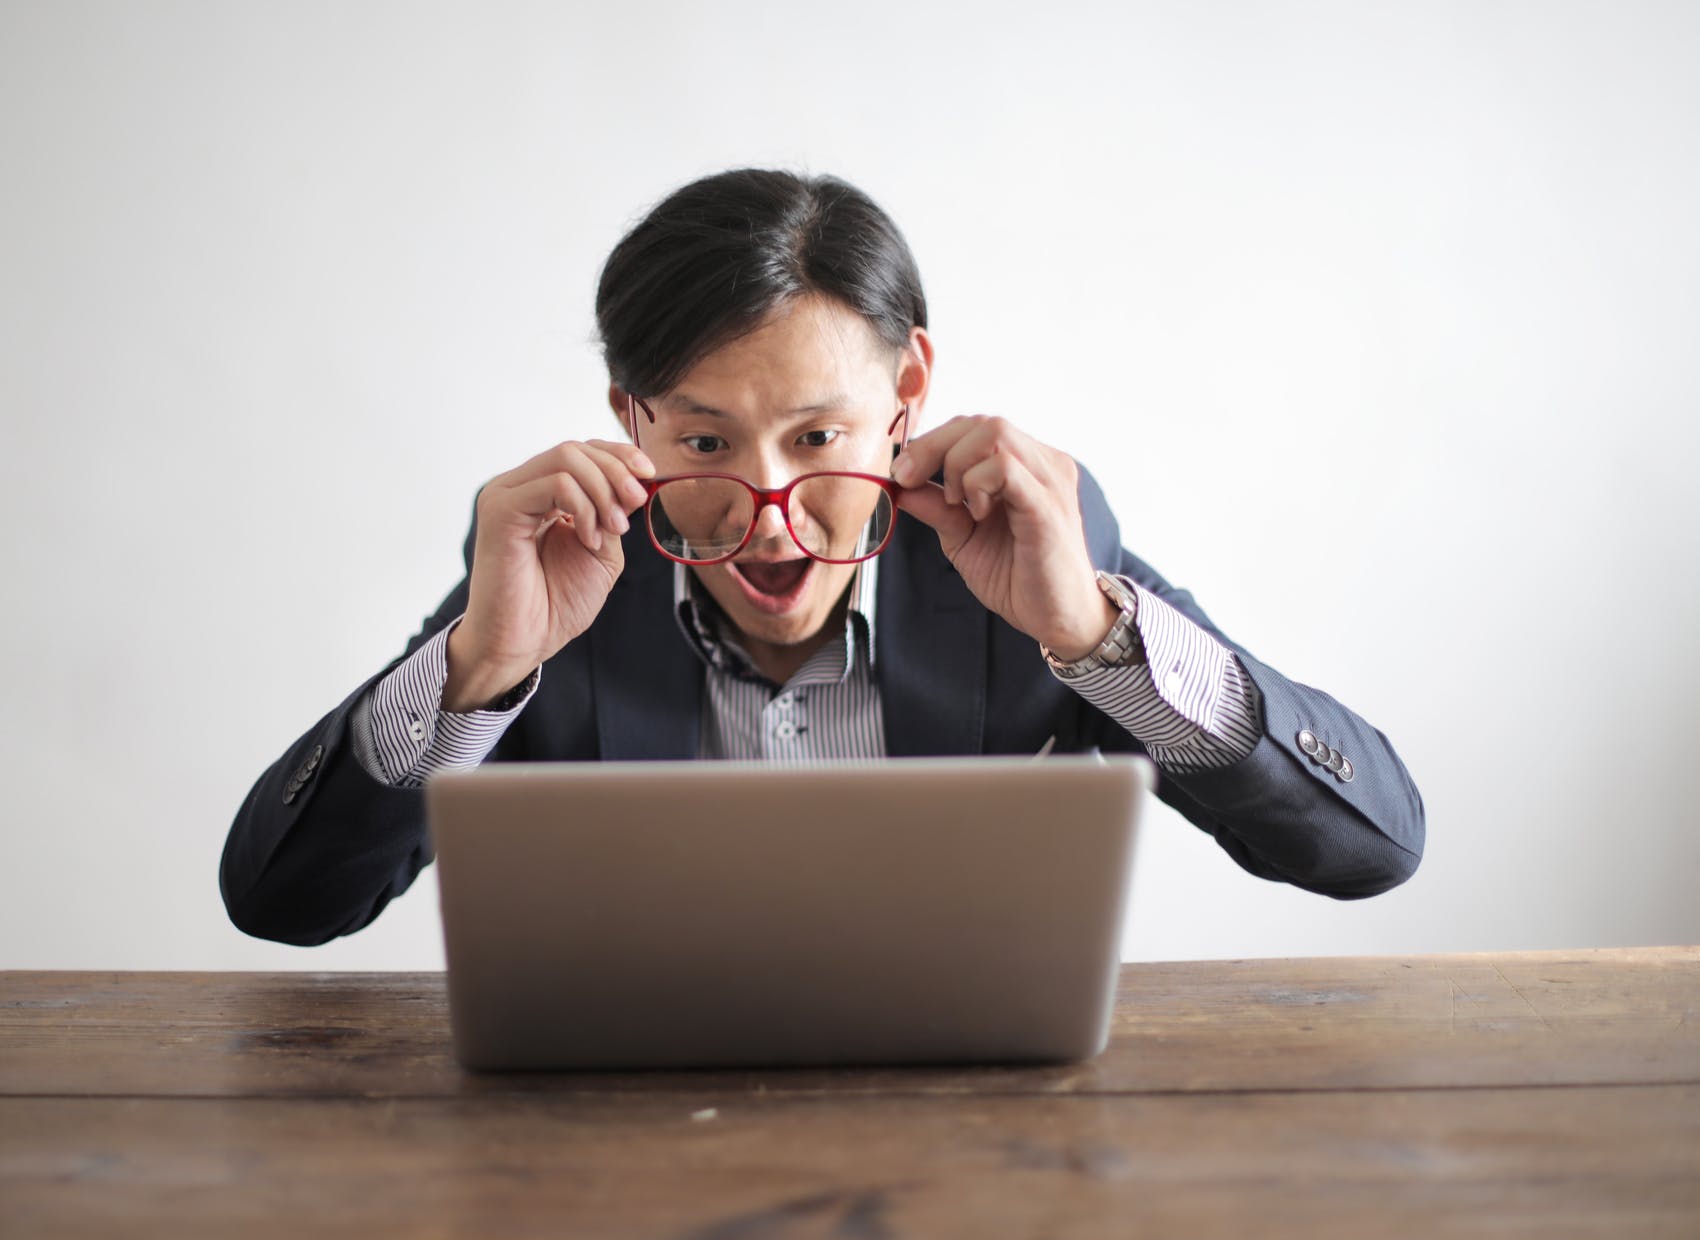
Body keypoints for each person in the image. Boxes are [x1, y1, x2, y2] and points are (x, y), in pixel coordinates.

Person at [221, 168, 1425, 947]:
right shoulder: (562, 572)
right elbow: (283, 904)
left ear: (905, 394)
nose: (770, 510)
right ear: (629, 418)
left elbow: (1369, 849)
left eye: (816, 437)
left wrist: (1094, 640)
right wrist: (476, 670)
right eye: (703, 439)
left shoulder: (1026, 548)